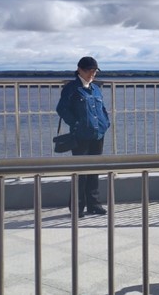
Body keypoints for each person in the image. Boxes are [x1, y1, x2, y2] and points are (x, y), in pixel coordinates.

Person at [56, 56, 111, 217]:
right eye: (89, 70)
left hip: (98, 134)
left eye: (94, 71)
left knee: (94, 170)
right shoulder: (72, 88)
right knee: (80, 171)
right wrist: (76, 123)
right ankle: (77, 206)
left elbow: (102, 109)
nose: (92, 74)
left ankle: (94, 204)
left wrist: (105, 123)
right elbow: (62, 109)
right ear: (79, 69)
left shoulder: (96, 89)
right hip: (81, 135)